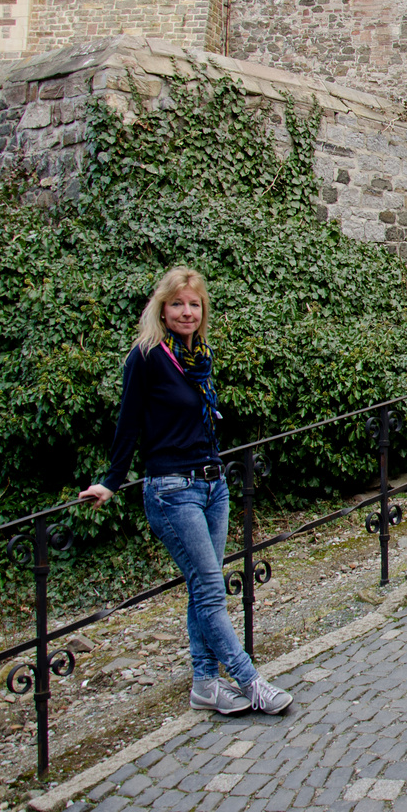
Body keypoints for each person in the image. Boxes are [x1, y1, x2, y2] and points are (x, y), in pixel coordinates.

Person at [78, 268, 293, 717]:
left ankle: (205, 685)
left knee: (203, 589)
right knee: (212, 590)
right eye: (178, 304)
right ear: (162, 308)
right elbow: (129, 423)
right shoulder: (147, 356)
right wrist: (112, 480)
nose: (187, 312)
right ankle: (251, 681)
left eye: (194, 304)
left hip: (213, 485)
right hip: (172, 489)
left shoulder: (199, 357)